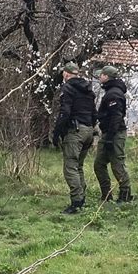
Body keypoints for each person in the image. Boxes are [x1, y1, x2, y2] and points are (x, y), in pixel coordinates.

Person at [52, 62, 97, 214]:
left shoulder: (68, 88)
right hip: (88, 130)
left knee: (70, 167)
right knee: (79, 166)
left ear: (66, 74)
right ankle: (82, 197)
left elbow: (65, 112)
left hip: (75, 131)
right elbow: (94, 112)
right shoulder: (88, 89)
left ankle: (76, 203)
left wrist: (57, 132)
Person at [94, 65, 133, 203]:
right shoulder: (111, 91)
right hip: (108, 133)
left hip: (115, 133)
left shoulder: (114, 94)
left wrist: (110, 138)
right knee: (99, 164)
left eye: (101, 75)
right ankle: (106, 194)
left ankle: (126, 194)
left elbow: (116, 117)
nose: (99, 77)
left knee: (117, 164)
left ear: (106, 77)